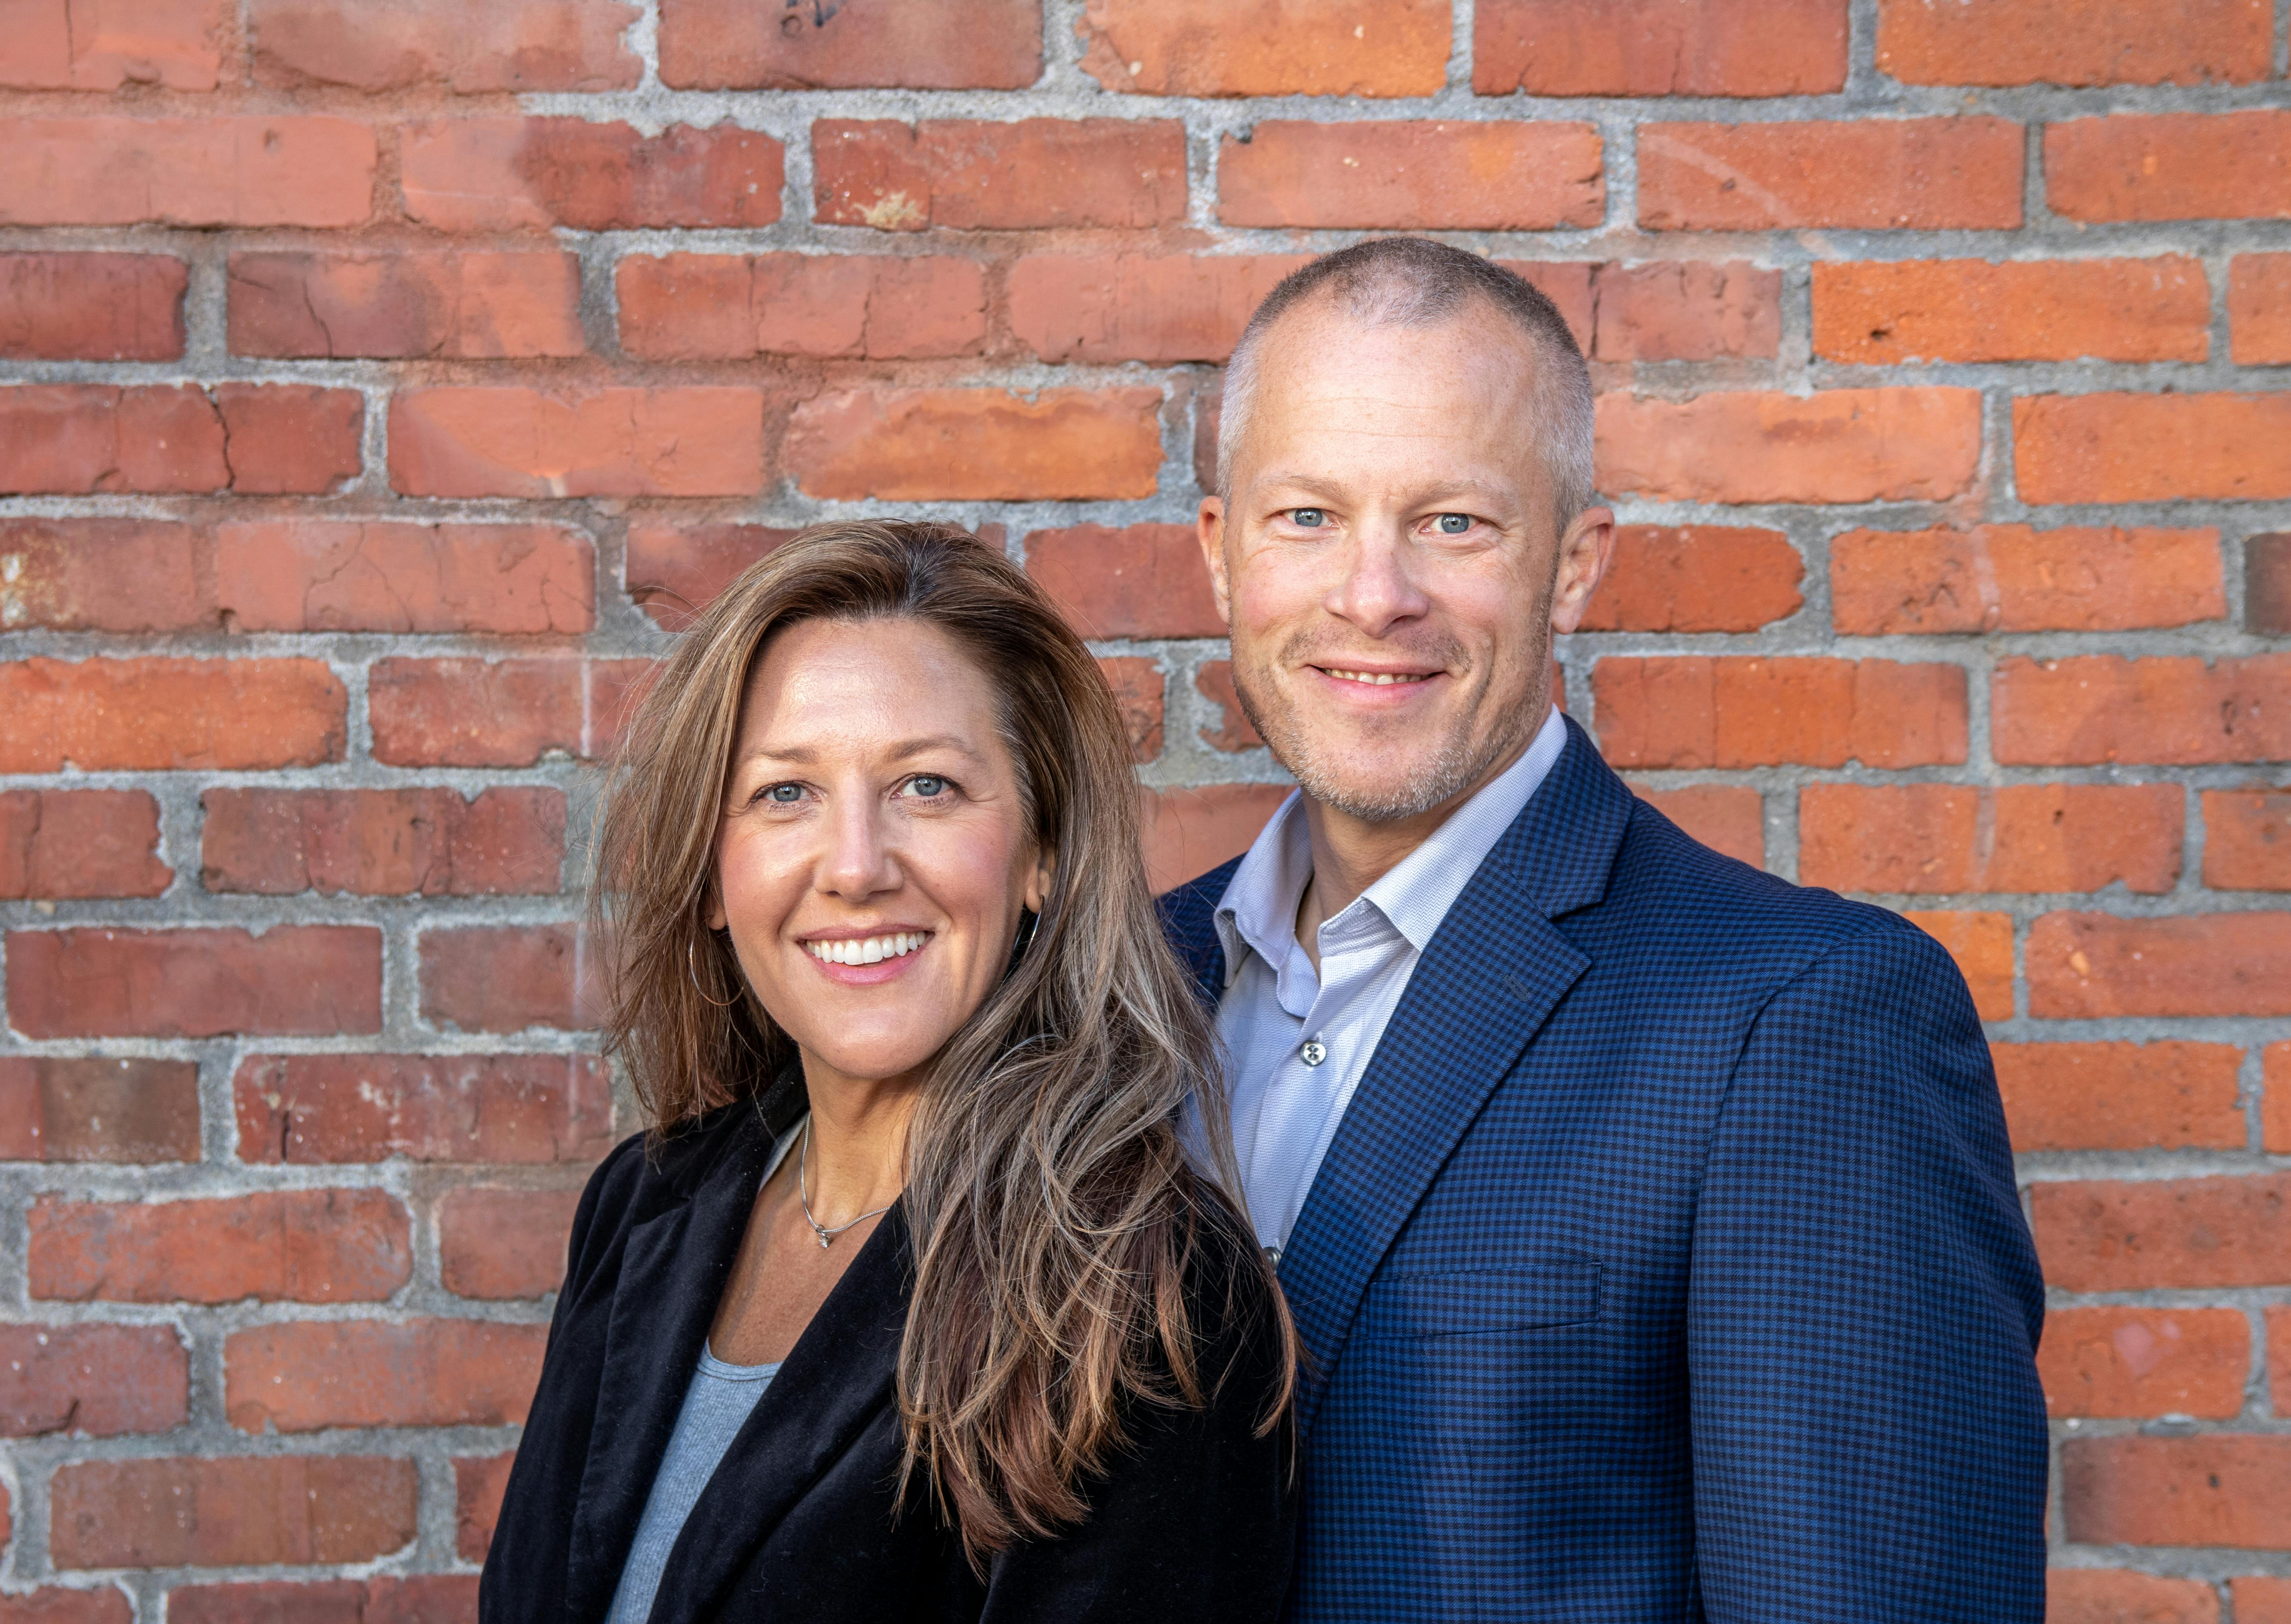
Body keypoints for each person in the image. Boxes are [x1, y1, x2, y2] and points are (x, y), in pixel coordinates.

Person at [1162, 237, 2048, 1620]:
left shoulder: (1805, 1023)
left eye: (1455, 522)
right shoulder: (1116, 990)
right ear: (1222, 555)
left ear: (1573, 565)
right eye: (1307, 518)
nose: (1374, 594)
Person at [483, 522, 1296, 1624]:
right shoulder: (643, 1208)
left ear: (1040, 856)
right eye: (785, 794)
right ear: (714, 874)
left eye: (926, 786)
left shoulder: (1140, 1297)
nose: (857, 867)